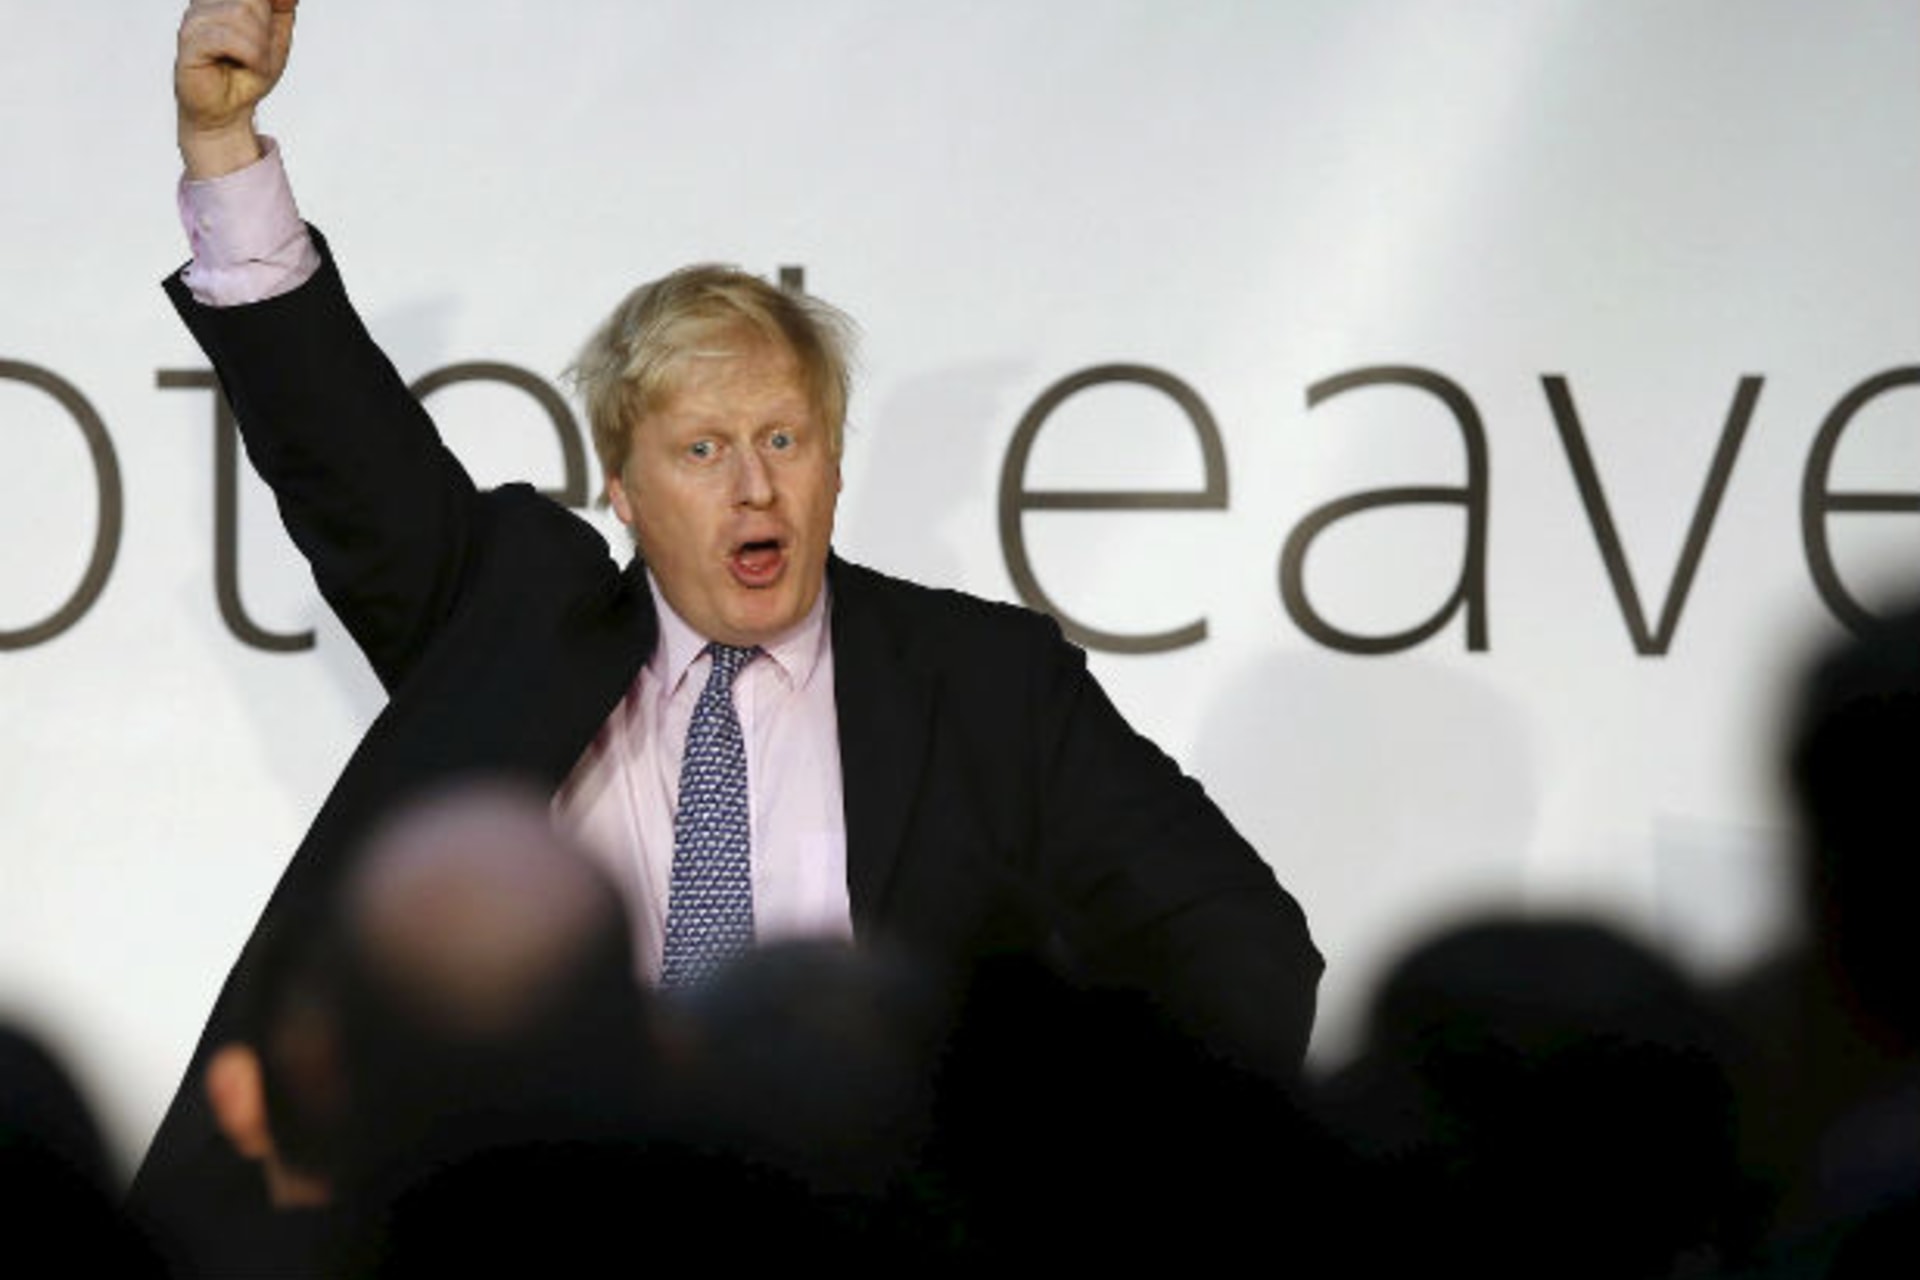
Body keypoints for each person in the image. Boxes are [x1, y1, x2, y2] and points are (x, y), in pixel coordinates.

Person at [135, 0, 1322, 1233]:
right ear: (625, 487)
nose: (756, 485)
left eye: (784, 439)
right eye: (703, 447)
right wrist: (225, 149)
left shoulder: (983, 682)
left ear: (833, 464)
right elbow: (340, 446)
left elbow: (1239, 947)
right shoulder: (507, 619)